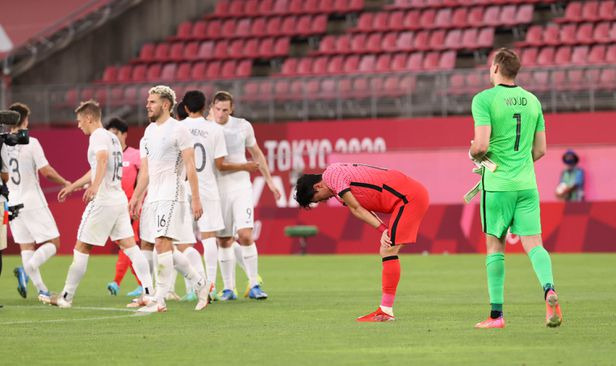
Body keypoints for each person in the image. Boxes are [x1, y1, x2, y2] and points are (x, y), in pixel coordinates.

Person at [469, 48, 562, 328]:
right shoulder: (533, 101)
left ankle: (496, 316)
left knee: (494, 246)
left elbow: (482, 146)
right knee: (534, 244)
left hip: (498, 187)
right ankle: (549, 288)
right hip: (527, 185)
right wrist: (520, 163)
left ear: (496, 67)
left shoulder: (484, 99)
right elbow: (542, 150)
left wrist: (474, 153)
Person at [49, 100, 154, 309]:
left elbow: (102, 160)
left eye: (80, 121)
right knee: (130, 247)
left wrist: (95, 186)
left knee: (81, 247)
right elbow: (98, 166)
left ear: (89, 118)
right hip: (118, 199)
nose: (79, 125)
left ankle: (66, 297)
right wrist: (74, 186)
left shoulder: (97, 136)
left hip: (104, 200)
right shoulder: (112, 138)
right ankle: (149, 293)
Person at [295, 163, 429, 321]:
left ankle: (385, 311)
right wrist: (383, 229)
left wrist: (382, 229)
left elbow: (357, 208)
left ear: (318, 186)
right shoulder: (337, 185)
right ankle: (385, 310)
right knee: (387, 250)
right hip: (407, 195)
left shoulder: (332, 176)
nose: (322, 201)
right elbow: (359, 208)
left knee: (388, 250)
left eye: (316, 199)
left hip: (408, 198)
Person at [128, 85, 212, 313]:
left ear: (165, 104)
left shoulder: (179, 130)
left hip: (173, 193)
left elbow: (190, 167)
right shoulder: (148, 132)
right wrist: (136, 197)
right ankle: (201, 284)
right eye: (148, 101)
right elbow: (145, 171)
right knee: (167, 249)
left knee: (162, 244)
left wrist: (196, 198)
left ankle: (159, 299)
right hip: (153, 196)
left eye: (152, 101)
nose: (148, 105)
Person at [211, 91, 279, 301]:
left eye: (225, 109)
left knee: (245, 234)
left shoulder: (242, 126)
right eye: (217, 109)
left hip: (240, 186)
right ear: (212, 107)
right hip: (218, 188)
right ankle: (229, 288)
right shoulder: (206, 128)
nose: (221, 113)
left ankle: (254, 283)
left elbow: (256, 153)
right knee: (223, 240)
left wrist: (269, 180)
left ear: (231, 109)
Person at [1, 102, 71, 303]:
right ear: (23, 120)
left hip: (11, 202)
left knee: (26, 246)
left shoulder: (2, 143)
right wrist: (65, 182)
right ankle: (26, 269)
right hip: (31, 201)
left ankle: (41, 290)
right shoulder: (31, 143)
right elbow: (46, 171)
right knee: (54, 243)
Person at [104, 118, 145, 297]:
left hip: (132, 207)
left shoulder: (135, 155)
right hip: (114, 206)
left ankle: (118, 281)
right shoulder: (109, 157)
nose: (112, 139)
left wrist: (138, 200)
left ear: (124, 134)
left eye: (115, 134)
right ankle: (142, 283)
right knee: (127, 244)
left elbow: (145, 178)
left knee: (126, 244)